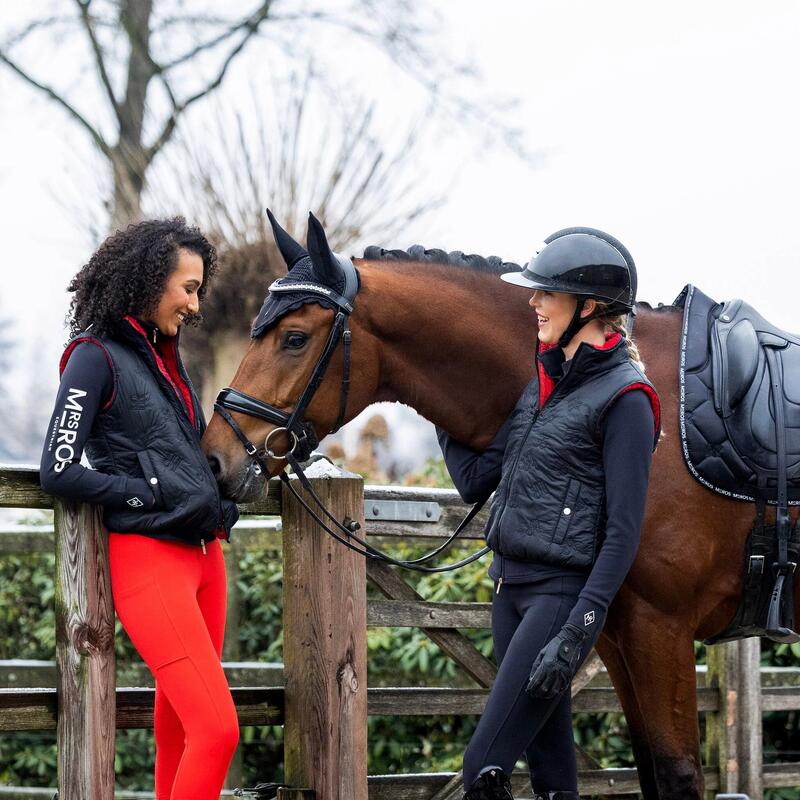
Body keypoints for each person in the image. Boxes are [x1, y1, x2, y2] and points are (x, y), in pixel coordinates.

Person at [437, 228, 661, 800]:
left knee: (484, 768)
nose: (533, 302)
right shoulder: (543, 384)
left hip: (558, 602)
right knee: (553, 776)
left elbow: (622, 532)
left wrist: (577, 631)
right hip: (509, 592)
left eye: (547, 294)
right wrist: (437, 397)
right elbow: (474, 481)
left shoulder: (627, 399)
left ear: (589, 307)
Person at [40, 218, 241, 800]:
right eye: (188, 287)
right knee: (218, 729)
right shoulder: (92, 358)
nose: (195, 304)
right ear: (149, 280)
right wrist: (143, 493)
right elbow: (58, 468)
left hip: (206, 559)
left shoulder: (170, 360)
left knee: (181, 730)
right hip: (150, 562)